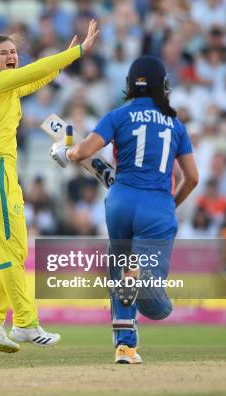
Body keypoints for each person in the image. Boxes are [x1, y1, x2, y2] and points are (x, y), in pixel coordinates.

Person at [51, 56, 199, 364]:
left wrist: (64, 151)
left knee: (119, 273)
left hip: (119, 202)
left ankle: (125, 346)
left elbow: (83, 152)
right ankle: (139, 276)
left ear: (130, 86)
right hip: (156, 205)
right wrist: (169, 205)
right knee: (158, 307)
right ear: (162, 87)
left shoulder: (118, 115)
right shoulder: (176, 124)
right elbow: (192, 178)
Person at [0, 21, 100, 352]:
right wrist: (78, 51)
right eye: (4, 53)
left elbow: (37, 77)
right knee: (10, 252)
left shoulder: (2, 87)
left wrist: (67, 59)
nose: (12, 56)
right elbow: (36, 70)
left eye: (13, 51)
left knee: (16, 250)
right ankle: (25, 323)